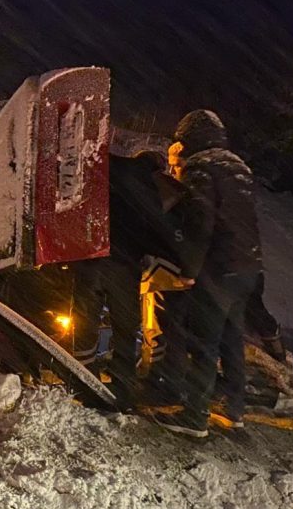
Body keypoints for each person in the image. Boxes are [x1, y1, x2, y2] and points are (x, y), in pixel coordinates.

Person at [155, 110, 264, 438]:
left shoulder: (201, 168)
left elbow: (200, 223)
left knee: (204, 342)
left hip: (218, 269)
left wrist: (189, 269)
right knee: (232, 340)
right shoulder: (238, 167)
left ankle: (195, 418)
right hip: (248, 266)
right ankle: (235, 413)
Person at [70, 151, 182, 411]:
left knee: (85, 323)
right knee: (125, 328)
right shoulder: (153, 189)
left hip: (91, 259)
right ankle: (123, 389)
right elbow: (156, 231)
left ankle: (83, 384)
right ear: (157, 169)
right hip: (125, 266)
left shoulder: (111, 168)